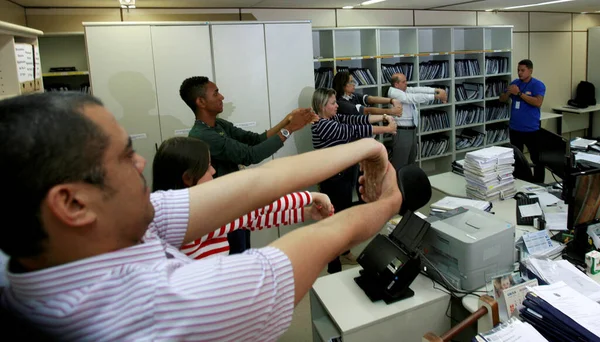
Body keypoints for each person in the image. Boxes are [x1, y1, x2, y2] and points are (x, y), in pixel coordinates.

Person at [0, 92, 405, 341]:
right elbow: (320, 239)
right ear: (72, 204)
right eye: (124, 156)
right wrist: (386, 202)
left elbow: (257, 182)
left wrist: (371, 148)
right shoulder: (151, 310)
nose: (141, 160)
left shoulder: (103, 233)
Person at [179, 76, 319, 254]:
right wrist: (289, 129)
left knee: (244, 249)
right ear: (201, 102)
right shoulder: (203, 135)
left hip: (237, 203)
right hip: (224, 209)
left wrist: (288, 120)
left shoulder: (218, 124)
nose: (221, 97)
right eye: (216, 93)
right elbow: (250, 155)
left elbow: (255, 140)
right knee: (237, 254)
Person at [152, 136, 334, 259]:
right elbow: (255, 208)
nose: (214, 171)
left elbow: (250, 219)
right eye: (207, 167)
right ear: (188, 178)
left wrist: (308, 213)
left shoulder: (177, 212)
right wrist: (311, 196)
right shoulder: (185, 220)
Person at [311, 87, 398, 273]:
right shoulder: (322, 125)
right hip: (333, 180)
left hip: (343, 175)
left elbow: (356, 119)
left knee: (342, 215)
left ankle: (345, 252)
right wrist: (387, 128)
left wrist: (382, 117)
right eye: (333, 103)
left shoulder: (332, 118)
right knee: (335, 222)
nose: (336, 106)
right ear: (321, 106)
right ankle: (333, 266)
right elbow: (352, 130)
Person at [387, 73, 448, 171]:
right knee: (400, 163)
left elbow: (417, 89)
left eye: (406, 81)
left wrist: (436, 90)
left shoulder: (404, 90)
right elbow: (410, 98)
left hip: (411, 131)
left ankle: (408, 185)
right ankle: (398, 185)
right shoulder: (394, 92)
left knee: (411, 162)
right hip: (401, 132)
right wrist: (435, 97)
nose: (406, 84)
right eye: (403, 82)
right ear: (396, 85)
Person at [499, 59, 546, 183]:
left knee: (537, 159)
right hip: (515, 128)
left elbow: (538, 102)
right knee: (516, 159)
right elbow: (502, 99)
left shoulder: (537, 85)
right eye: (518, 70)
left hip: (531, 129)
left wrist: (519, 93)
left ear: (530, 71)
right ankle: (521, 181)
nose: (519, 73)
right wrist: (508, 93)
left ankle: (539, 183)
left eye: (522, 70)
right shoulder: (515, 83)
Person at [332, 71, 403, 117]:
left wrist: (392, 100)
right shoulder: (340, 102)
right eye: (351, 82)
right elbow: (367, 110)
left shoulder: (352, 95)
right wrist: (391, 111)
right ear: (343, 84)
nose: (354, 84)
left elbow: (370, 99)